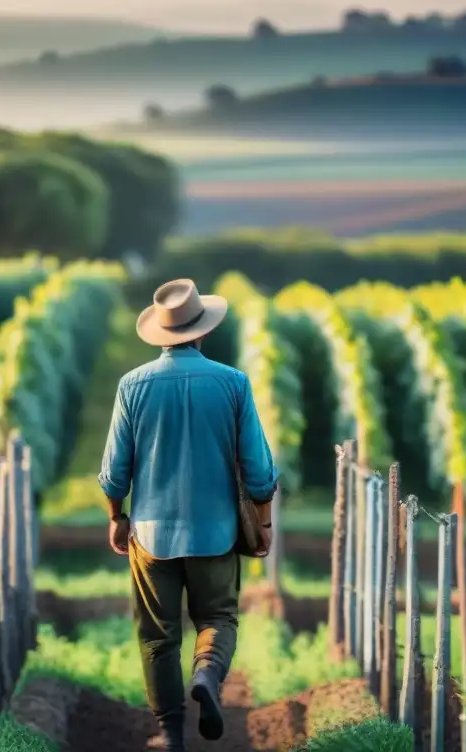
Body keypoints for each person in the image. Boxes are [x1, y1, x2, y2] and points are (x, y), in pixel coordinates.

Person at [98, 278, 279, 751]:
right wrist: (262, 522)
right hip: (215, 531)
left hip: (151, 536)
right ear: (203, 331)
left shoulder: (132, 385)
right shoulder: (233, 383)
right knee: (218, 617)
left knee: (158, 636)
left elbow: (114, 472)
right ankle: (205, 675)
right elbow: (259, 471)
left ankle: (171, 733)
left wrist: (116, 516)